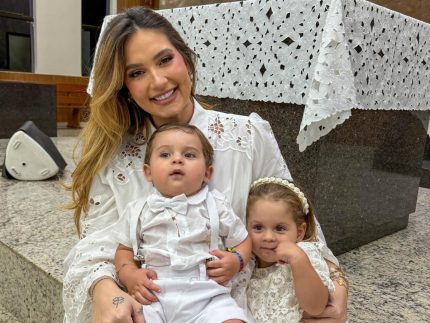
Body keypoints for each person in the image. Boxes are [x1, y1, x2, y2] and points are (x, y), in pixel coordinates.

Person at [62, 6, 348, 323]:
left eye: (165, 59)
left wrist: (337, 285)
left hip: (232, 306)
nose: (158, 81)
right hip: (152, 303)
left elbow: (303, 230)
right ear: (124, 88)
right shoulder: (118, 157)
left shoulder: (247, 137)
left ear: (186, 58)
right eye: (136, 73)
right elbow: (94, 252)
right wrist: (107, 292)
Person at [113, 123, 250, 322]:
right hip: (154, 296)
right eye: (165, 155)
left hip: (208, 297)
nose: (177, 159)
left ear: (207, 174)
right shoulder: (139, 210)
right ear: (148, 172)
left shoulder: (215, 204)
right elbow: (124, 250)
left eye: (189, 155)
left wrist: (236, 261)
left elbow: (243, 241)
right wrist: (130, 275)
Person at [245, 177, 339, 322]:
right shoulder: (249, 262)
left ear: (300, 232)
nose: (268, 237)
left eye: (280, 228)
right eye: (258, 227)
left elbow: (316, 307)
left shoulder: (305, 253)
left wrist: (299, 261)